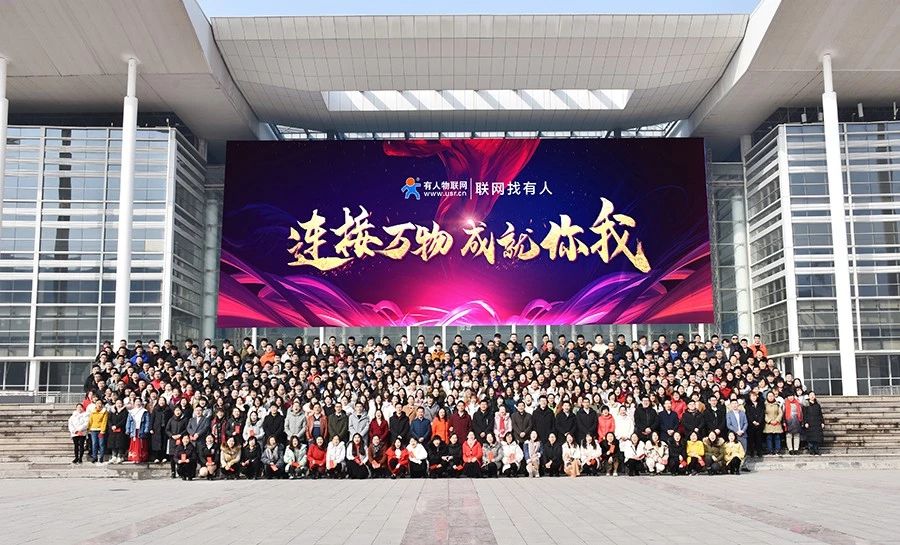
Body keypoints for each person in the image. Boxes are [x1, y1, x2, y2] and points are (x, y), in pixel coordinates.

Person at [165, 406, 188, 478]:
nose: (178, 412)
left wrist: (180, 435)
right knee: (172, 456)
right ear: (174, 412)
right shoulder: (171, 420)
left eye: (179, 410)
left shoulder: (184, 419)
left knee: (180, 455)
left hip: (181, 439)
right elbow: (167, 430)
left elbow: (186, 429)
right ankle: (173, 471)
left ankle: (180, 471)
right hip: (172, 440)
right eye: (176, 410)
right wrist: (171, 435)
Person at [125, 398, 150, 463]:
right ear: (134, 403)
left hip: (141, 429)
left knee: (141, 444)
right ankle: (134, 458)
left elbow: (147, 421)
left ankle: (140, 458)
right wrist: (127, 429)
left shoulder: (144, 411)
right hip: (134, 430)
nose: (138, 403)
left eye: (139, 402)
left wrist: (146, 429)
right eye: (136, 402)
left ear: (141, 403)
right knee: (134, 444)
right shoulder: (131, 412)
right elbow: (128, 421)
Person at [745, 390, 766, 458]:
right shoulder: (747, 405)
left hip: (759, 424)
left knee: (759, 439)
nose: (754, 398)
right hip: (751, 425)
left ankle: (759, 452)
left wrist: (759, 421)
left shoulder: (761, 404)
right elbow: (748, 414)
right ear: (750, 397)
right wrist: (753, 421)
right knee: (751, 439)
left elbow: (762, 413)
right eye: (752, 396)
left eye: (755, 396)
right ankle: (752, 452)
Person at [107, 399, 128, 464]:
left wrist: (117, 426)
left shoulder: (125, 411)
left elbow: (124, 420)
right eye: (117, 403)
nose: (119, 405)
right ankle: (114, 456)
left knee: (120, 444)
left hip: (121, 430)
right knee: (113, 443)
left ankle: (119, 456)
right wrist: (111, 426)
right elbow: (109, 420)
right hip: (112, 430)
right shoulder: (112, 411)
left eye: (120, 403)